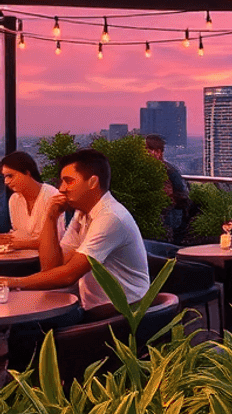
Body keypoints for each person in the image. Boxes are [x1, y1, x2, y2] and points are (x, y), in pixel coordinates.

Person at [8, 148, 150, 315]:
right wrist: (50, 218)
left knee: (26, 324)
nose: (61, 189)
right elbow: (52, 267)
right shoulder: (82, 213)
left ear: (92, 182)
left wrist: (11, 282)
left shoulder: (110, 218)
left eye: (68, 181)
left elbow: (68, 276)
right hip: (91, 302)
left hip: (120, 311)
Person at [0, 151, 64, 248]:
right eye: (5, 177)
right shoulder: (14, 199)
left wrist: (16, 244)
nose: (6, 182)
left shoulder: (53, 196)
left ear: (27, 172)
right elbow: (19, 234)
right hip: (23, 256)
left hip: (46, 259)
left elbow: (57, 240)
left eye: (10, 176)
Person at [144, 134, 190, 243]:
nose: (146, 153)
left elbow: (183, 193)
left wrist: (168, 199)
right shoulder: (144, 169)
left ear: (158, 152)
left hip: (170, 215)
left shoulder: (169, 170)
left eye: (149, 149)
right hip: (153, 215)